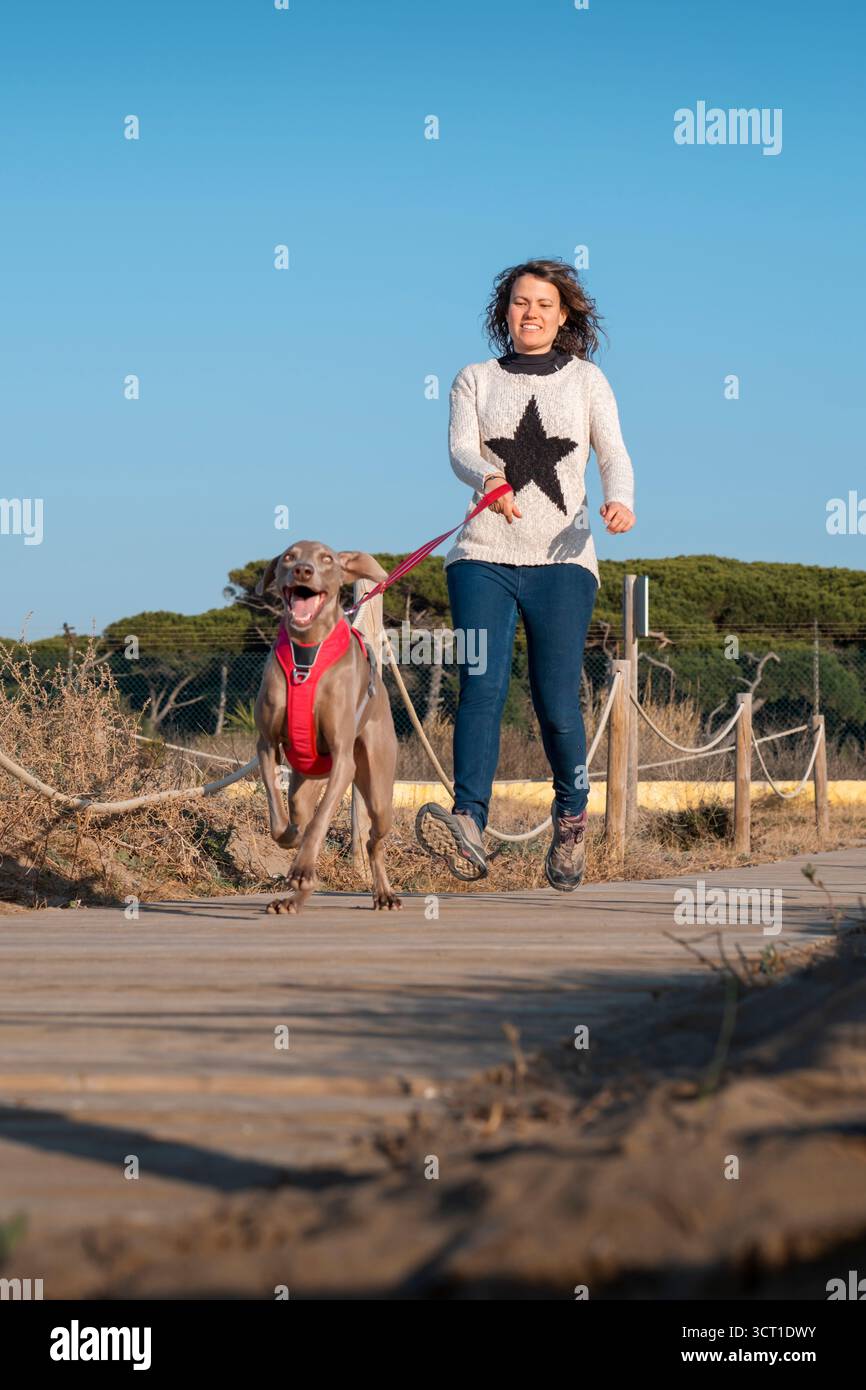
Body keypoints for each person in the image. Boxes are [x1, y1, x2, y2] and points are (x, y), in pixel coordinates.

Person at [415, 258, 636, 890]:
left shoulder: (588, 380)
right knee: (480, 686)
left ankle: (570, 812)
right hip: (482, 554)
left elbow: (613, 451)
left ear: (564, 315)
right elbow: (461, 447)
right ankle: (469, 823)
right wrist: (490, 476)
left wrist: (620, 498)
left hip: (564, 559)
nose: (530, 312)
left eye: (543, 303)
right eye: (518, 302)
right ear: (503, 312)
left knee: (556, 700)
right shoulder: (475, 378)